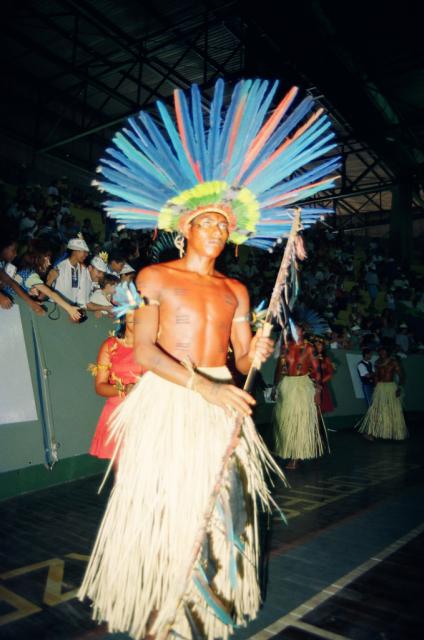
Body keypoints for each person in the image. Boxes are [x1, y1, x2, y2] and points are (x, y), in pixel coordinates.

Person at [78, 78, 339, 639]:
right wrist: (205, 388)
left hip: (220, 394)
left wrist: (257, 351)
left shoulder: (237, 291)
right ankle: (157, 611)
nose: (218, 230)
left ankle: (209, 606)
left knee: (224, 504)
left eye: (225, 224)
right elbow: (144, 350)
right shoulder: (155, 277)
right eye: (207, 222)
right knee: (165, 507)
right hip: (173, 397)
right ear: (184, 230)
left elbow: (243, 358)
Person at [89, 308, 144, 462]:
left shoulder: (152, 347)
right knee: (124, 469)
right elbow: (100, 386)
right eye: (132, 312)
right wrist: (124, 389)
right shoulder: (110, 345)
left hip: (147, 411)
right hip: (119, 412)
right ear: (124, 315)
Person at [273, 325, 324, 470]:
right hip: (287, 385)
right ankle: (289, 451)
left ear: (303, 332)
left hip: (302, 386)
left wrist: (318, 389)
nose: (294, 332)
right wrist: (274, 386)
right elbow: (279, 368)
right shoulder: (285, 347)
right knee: (285, 419)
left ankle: (296, 456)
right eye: (292, 329)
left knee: (299, 420)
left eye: (298, 329)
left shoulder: (309, 348)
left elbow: (317, 369)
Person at [17, 239, 81, 322]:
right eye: (46, 259)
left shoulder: (25, 270)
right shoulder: (31, 275)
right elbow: (50, 293)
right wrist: (70, 309)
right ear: (38, 258)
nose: (49, 263)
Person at [357, 346, 407, 440]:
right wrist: (376, 388)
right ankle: (371, 432)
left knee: (393, 410)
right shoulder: (377, 362)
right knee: (376, 409)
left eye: (383, 351)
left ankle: (395, 433)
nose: (382, 353)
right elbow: (376, 376)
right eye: (380, 351)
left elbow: (401, 375)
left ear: (387, 352)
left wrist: (399, 387)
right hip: (380, 387)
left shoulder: (393, 362)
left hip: (390, 387)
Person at [0, 232, 45, 316]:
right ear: (3, 248)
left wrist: (32, 303)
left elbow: (12, 283)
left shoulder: (2, 263)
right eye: (13, 250)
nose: (15, 254)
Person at [47, 235, 89, 303]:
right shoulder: (60, 267)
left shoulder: (82, 269)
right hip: (58, 307)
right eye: (84, 252)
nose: (86, 255)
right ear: (75, 251)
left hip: (72, 309)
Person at [312, 337, 334, 413]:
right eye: (317, 344)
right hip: (309, 385)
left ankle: (318, 424)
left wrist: (320, 382)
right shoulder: (310, 357)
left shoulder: (326, 359)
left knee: (319, 410)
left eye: (321, 345)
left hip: (321, 385)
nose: (319, 346)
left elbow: (330, 374)